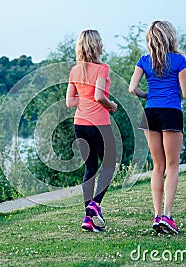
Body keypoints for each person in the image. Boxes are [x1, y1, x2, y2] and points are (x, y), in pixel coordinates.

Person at [128, 20, 186, 235]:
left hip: (150, 113)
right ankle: (167, 216)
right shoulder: (179, 60)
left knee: (158, 165)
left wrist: (148, 95)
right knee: (172, 165)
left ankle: (156, 216)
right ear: (170, 37)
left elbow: (132, 88)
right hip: (171, 113)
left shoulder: (144, 61)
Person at [66, 29, 118, 232]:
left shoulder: (74, 70)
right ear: (96, 46)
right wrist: (112, 105)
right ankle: (94, 205)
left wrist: (84, 99)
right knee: (109, 165)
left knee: (90, 168)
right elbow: (98, 96)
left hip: (80, 124)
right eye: (101, 42)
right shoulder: (102, 68)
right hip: (98, 124)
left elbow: (70, 101)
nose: (103, 45)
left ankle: (88, 219)